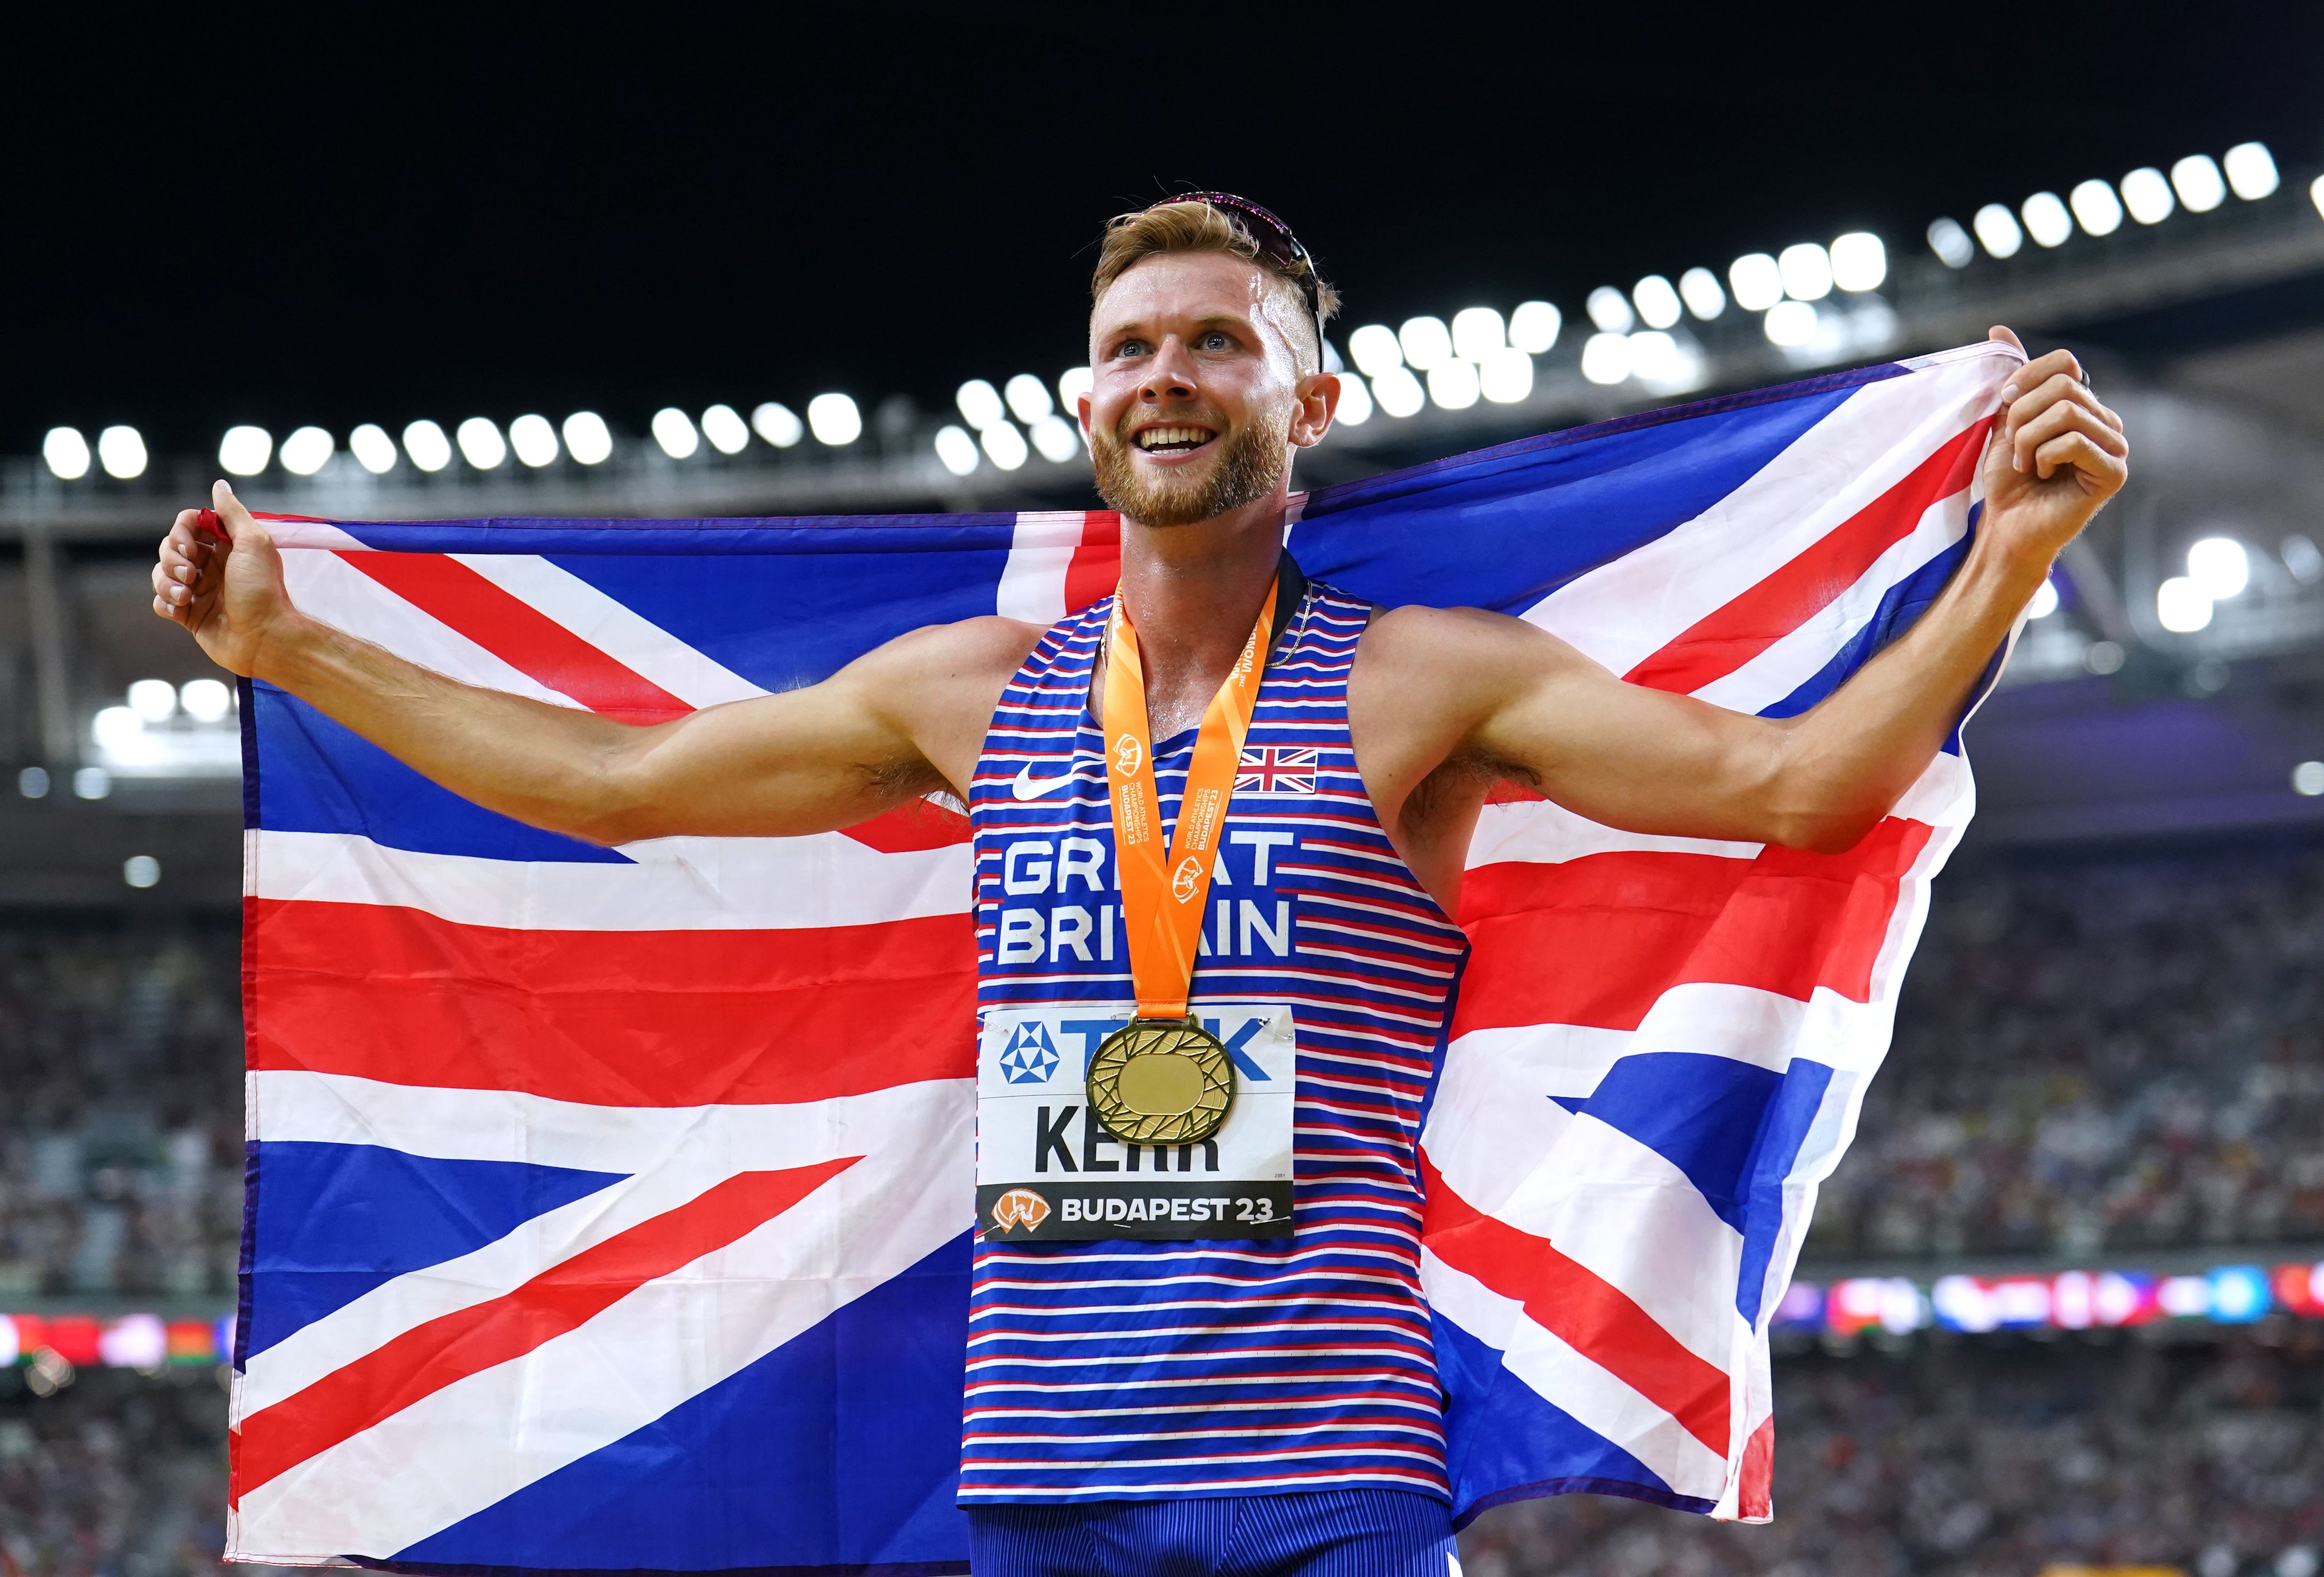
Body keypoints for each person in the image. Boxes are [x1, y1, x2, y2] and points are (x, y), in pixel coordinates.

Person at [151, 194, 2127, 1576]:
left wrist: (2007, 556)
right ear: (1083, 404)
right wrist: (298, 650)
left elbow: (1789, 790)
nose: (1166, 374)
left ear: (1307, 404)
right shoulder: (969, 698)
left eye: (1214, 343)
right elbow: (606, 780)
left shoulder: (1424, 678)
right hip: (1046, 1482)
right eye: (1128, 349)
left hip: (1335, 1474)